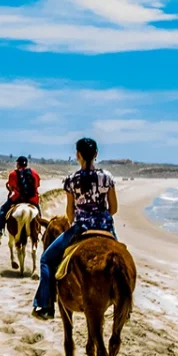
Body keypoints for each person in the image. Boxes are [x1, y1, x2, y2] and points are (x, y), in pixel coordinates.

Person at [31, 137, 116, 321]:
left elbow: (69, 212)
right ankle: (124, 304)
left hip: (80, 228)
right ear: (96, 155)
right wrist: (101, 217)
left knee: (46, 260)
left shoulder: (71, 180)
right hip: (105, 227)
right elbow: (114, 208)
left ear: (78, 155)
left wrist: (79, 218)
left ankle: (45, 306)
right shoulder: (107, 177)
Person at [0, 156, 41, 232]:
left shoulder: (13, 174)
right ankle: (39, 228)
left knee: (3, 210)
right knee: (39, 213)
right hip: (32, 199)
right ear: (26, 164)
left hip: (17, 199)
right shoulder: (34, 173)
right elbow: (37, 185)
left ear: (17, 164)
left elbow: (11, 188)